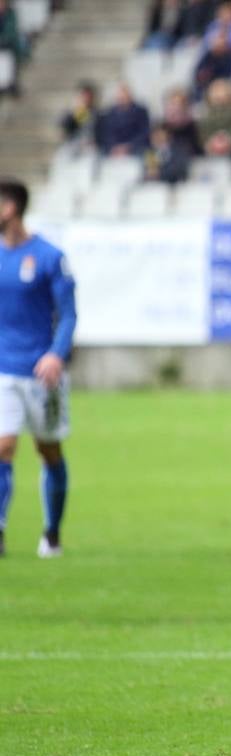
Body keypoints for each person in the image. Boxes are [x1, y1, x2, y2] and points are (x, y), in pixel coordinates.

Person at [0, 178, 76, 559]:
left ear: (11, 207)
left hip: (41, 372)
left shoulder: (49, 257)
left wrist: (56, 354)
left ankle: (52, 532)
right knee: (4, 446)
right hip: (4, 369)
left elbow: (69, 314)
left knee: (48, 451)